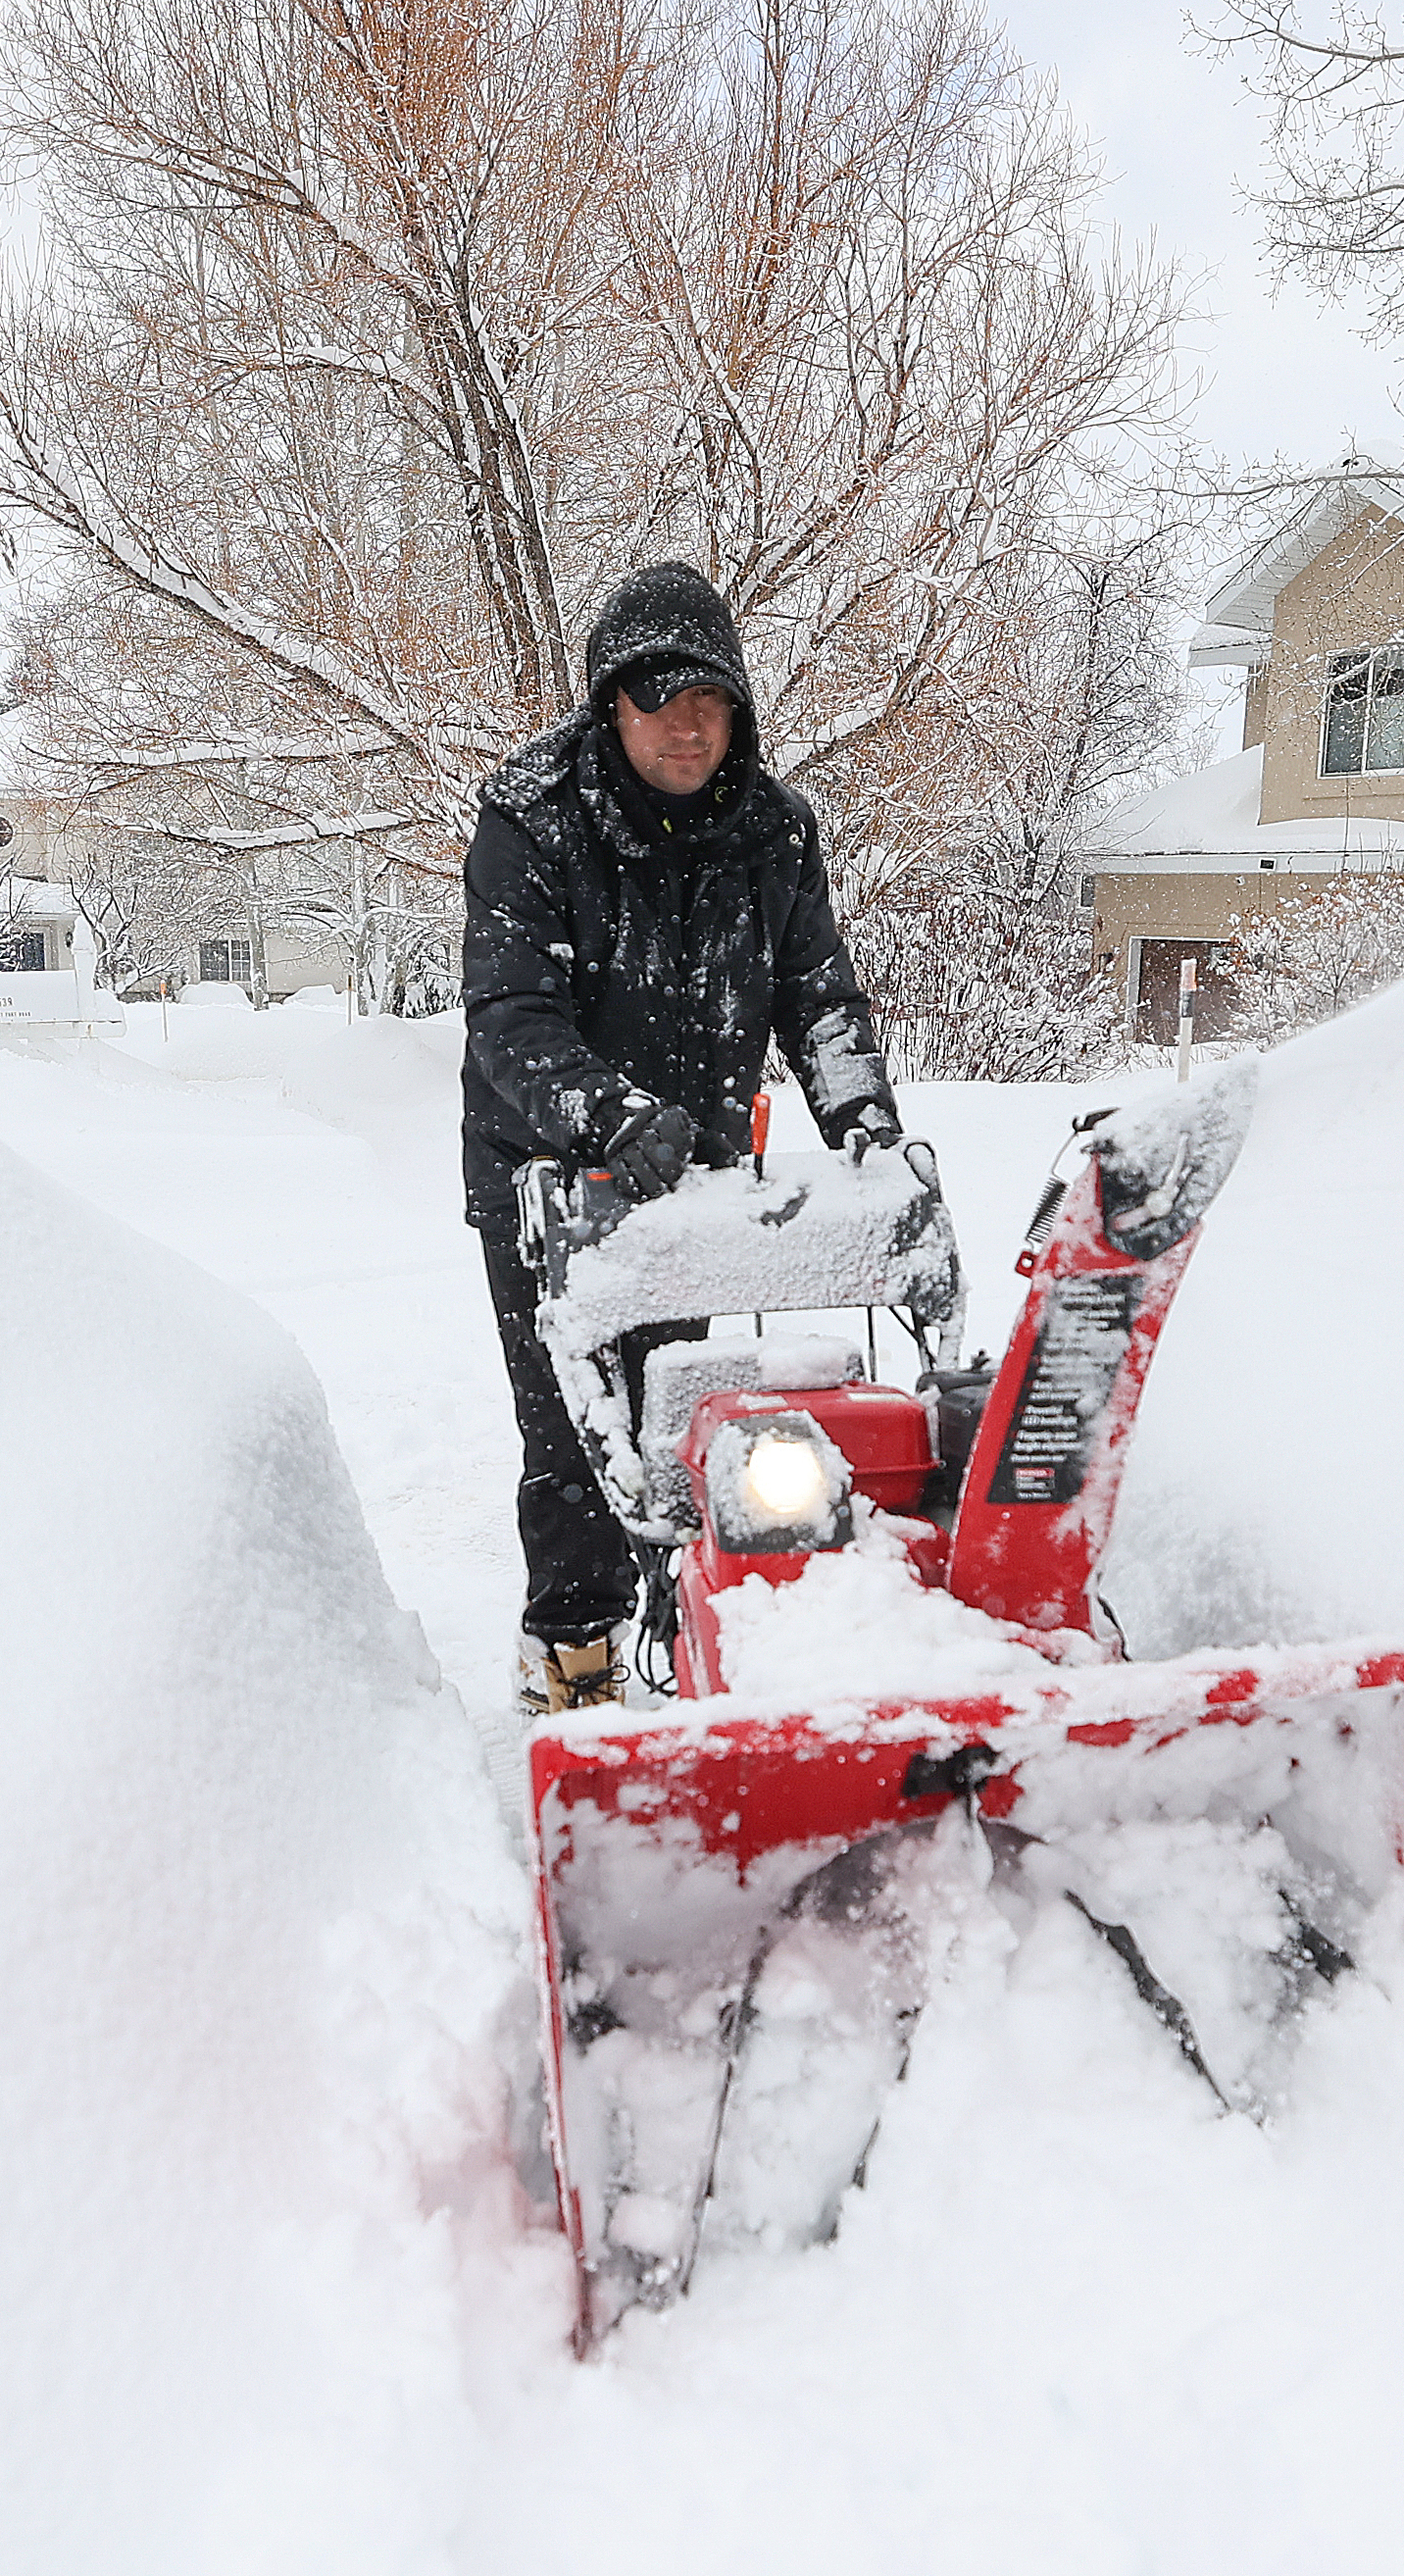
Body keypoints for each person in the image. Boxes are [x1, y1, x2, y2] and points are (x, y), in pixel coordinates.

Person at [461, 561, 901, 1714]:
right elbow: (511, 1017)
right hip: (548, 1180)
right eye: (659, 700)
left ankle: (688, 1624)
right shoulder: (531, 818)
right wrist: (609, 1114)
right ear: (610, 703)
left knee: (680, 1409)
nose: (686, 725)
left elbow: (819, 997)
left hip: (693, 1179)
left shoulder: (772, 831)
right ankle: (571, 1651)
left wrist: (867, 1124)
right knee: (573, 1431)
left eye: (710, 700)